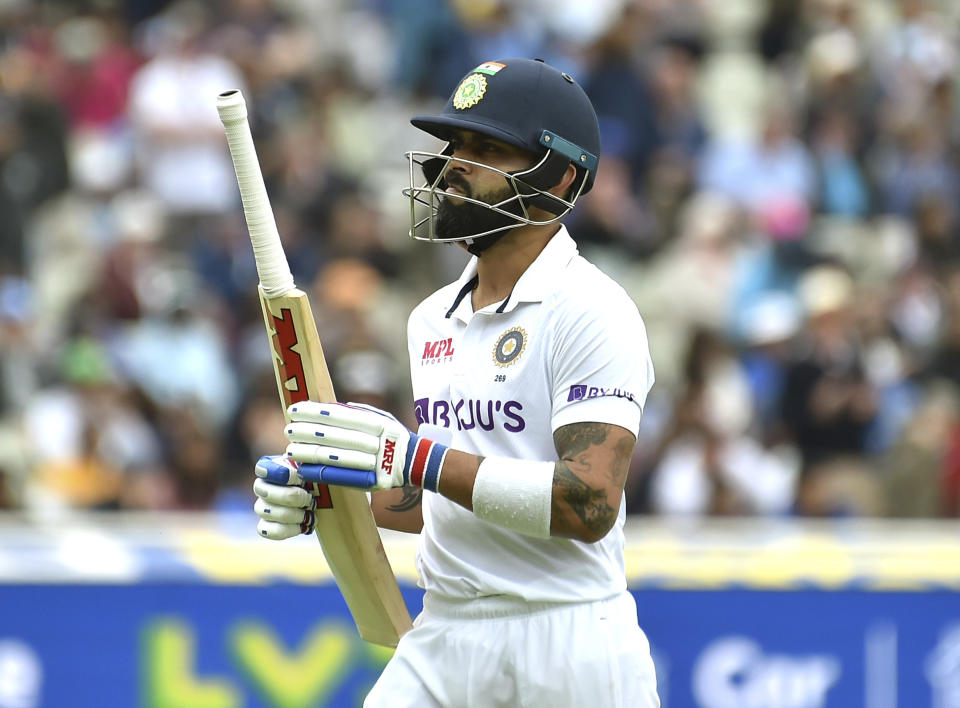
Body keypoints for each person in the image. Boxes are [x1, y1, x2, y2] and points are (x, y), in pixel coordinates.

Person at [251, 58, 660, 707]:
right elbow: (440, 502)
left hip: (569, 638)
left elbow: (587, 505)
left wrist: (412, 456)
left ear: (560, 177)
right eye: (455, 145)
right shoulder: (427, 319)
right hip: (445, 632)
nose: (452, 166)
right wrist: (330, 497)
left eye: (486, 148)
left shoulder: (593, 310)